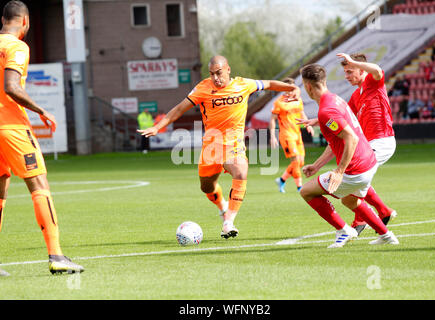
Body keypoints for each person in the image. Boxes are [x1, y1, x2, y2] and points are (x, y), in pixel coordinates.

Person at [138, 55, 300, 239]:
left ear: (228, 69)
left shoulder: (243, 84)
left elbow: (270, 84)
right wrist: (157, 127)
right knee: (206, 187)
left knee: (241, 172)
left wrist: (292, 87)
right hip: (211, 147)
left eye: (219, 73)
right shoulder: (203, 88)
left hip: (234, 143)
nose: (216, 78)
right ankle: (222, 206)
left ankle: (228, 222)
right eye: (212, 74)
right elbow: (179, 109)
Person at [0, 1, 84, 274]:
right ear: (25, 22)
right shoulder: (16, 47)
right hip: (11, 126)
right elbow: (11, 87)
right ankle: (57, 256)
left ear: (3, 19)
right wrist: (41, 109)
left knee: (0, 190)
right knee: (39, 184)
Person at [298, 63, 399, 248]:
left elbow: (350, 138)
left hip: (356, 170)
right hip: (369, 163)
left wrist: (339, 171)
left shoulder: (326, 111)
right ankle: (387, 235)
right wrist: (317, 165)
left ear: (308, 86)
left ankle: (343, 230)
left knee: (306, 191)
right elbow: (339, 140)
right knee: (350, 200)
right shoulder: (336, 99)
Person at [269, 77, 314, 193]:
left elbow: (302, 113)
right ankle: (300, 187)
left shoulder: (297, 100)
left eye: (292, 88)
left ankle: (282, 179)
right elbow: (273, 119)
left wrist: (308, 125)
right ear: (283, 88)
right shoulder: (279, 102)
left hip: (297, 134)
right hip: (286, 135)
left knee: (300, 162)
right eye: (287, 88)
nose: (290, 91)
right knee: (295, 162)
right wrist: (273, 136)